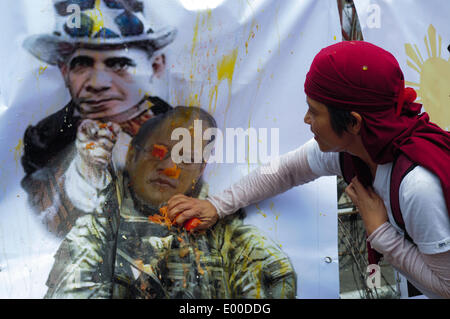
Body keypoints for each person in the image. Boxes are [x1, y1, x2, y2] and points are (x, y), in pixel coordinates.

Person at [167, 41, 450, 298]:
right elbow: (283, 170)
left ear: (353, 123)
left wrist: (380, 232)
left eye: (314, 111)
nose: (306, 119)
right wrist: (215, 206)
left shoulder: (417, 187)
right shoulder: (352, 150)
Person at [44, 106, 297, 299]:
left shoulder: (229, 237)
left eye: (185, 158)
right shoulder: (94, 234)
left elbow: (277, 275)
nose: (168, 167)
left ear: (200, 169)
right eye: (157, 152)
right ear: (133, 154)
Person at [20, 0, 176, 236]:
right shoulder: (44, 141)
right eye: (82, 65)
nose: (97, 83)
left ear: (156, 66)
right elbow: (44, 224)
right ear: (64, 72)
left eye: (119, 63)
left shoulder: (182, 130)